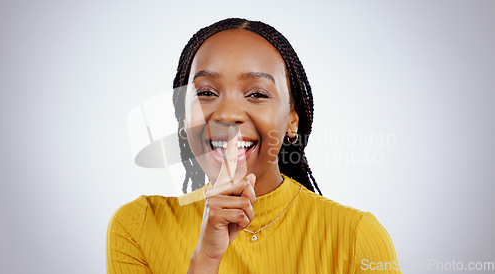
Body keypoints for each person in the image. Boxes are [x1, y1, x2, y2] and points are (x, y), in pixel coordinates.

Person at [107, 18, 401, 273]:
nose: (227, 115)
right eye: (207, 92)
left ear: (292, 120)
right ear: (184, 118)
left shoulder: (356, 236)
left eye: (257, 94)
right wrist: (206, 259)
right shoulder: (139, 227)